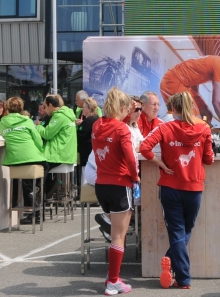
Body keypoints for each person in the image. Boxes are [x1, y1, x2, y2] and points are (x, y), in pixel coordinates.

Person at [140, 92, 214, 289]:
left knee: (178, 232)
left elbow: (144, 147)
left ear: (173, 108)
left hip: (170, 187)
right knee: (183, 231)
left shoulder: (164, 127)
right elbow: (209, 159)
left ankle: (172, 264)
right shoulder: (204, 128)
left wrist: (160, 163)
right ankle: (182, 277)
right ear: (191, 107)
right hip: (194, 187)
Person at [92, 88, 137, 295]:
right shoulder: (122, 129)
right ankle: (113, 281)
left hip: (101, 185)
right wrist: (135, 176)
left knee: (116, 234)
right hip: (119, 184)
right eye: (127, 108)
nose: (129, 111)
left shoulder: (97, 124)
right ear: (122, 107)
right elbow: (130, 158)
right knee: (119, 236)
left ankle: (113, 276)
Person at [159, 47, 220, 124]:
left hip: (186, 84)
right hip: (174, 81)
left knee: (206, 114)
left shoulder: (216, 61)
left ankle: (204, 135)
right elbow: (216, 102)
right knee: (196, 121)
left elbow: (194, 77)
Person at [0, 97, 48, 213]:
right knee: (46, 167)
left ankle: (21, 202)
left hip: (14, 159)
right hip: (32, 156)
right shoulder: (27, 121)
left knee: (22, 180)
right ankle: (36, 195)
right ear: (21, 107)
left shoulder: (2, 122)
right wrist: (40, 149)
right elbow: (38, 140)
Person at [35, 95, 77, 203]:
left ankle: (39, 197)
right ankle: (45, 192)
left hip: (58, 154)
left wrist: (38, 126)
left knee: (38, 168)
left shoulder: (59, 117)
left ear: (50, 105)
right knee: (43, 169)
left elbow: (47, 134)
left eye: (44, 107)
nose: (44, 110)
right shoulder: (67, 114)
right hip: (66, 153)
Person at [76, 98, 100, 200]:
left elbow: (80, 134)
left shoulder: (89, 121)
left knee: (86, 175)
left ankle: (87, 197)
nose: (82, 110)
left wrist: (80, 125)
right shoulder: (96, 118)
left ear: (89, 108)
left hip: (87, 151)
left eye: (84, 107)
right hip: (92, 150)